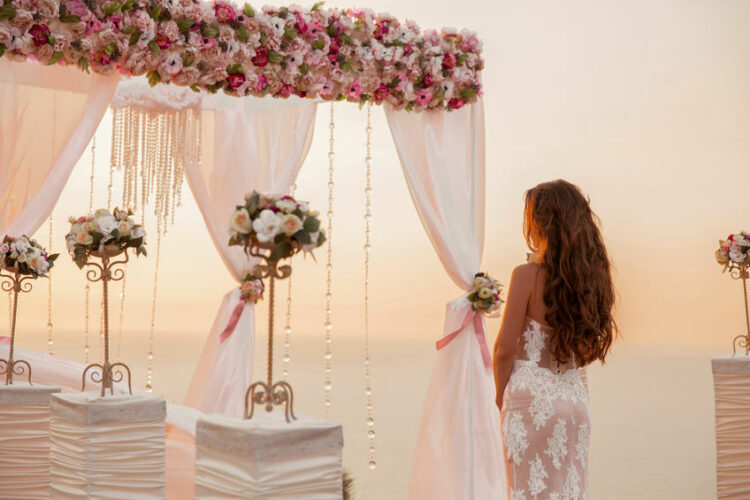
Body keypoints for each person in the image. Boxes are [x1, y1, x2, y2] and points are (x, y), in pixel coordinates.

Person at [493, 179, 617, 499]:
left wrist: (499, 397)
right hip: (574, 400)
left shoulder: (525, 276)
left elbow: (503, 350)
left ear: (540, 222)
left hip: (531, 399)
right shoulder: (592, 280)